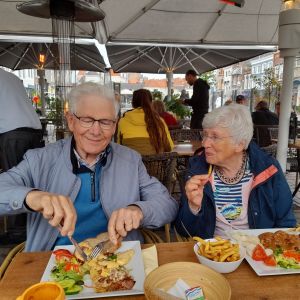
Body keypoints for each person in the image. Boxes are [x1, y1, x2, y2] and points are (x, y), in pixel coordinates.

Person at [0, 82, 178, 251]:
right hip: (54, 262)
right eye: (87, 120)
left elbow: (167, 204)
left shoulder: (130, 160)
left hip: (120, 260)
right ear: (71, 121)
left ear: (115, 125)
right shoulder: (40, 159)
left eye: (105, 122)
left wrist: (139, 210)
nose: (95, 131)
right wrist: (33, 197)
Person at [175, 104, 296, 239]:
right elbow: (184, 231)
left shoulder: (268, 169)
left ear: (239, 144)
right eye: (205, 135)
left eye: (215, 137)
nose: (205, 143)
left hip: (258, 254)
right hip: (212, 255)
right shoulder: (198, 168)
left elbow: (286, 225)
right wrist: (192, 207)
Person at [0, 68, 44, 241]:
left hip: (12, 133)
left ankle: (18, 232)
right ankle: (31, 227)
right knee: (33, 177)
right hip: (34, 128)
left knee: (15, 179)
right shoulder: (10, 76)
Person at [117, 89, 174, 155]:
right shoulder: (158, 121)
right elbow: (169, 147)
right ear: (151, 102)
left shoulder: (123, 121)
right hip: (156, 164)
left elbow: (119, 146)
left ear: (133, 103)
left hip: (131, 164)